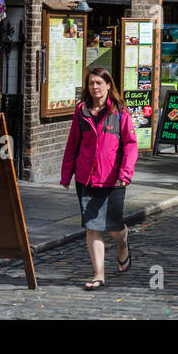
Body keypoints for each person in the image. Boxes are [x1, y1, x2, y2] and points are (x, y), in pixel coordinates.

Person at [60, 66, 138, 290]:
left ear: (108, 86)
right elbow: (72, 144)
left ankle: (123, 243)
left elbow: (131, 145)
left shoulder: (120, 112)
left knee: (112, 227)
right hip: (86, 178)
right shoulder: (81, 111)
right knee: (93, 226)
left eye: (99, 83)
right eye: (91, 83)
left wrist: (126, 172)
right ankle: (99, 275)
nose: (94, 87)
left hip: (113, 179)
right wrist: (67, 174)